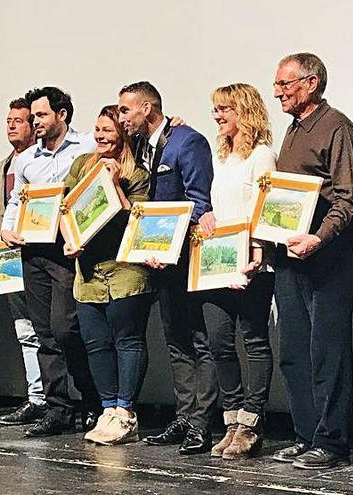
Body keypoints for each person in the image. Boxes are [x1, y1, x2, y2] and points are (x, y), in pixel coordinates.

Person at [268, 54, 353, 469]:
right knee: (293, 352)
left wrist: (318, 239)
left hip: (328, 256)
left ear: (311, 83)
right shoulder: (292, 130)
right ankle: (306, 435)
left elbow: (349, 197)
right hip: (290, 257)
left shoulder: (336, 126)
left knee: (328, 352)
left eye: (285, 84)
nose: (277, 92)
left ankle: (332, 441)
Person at [117, 81, 217, 455]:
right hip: (156, 259)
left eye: (126, 110)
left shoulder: (187, 141)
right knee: (175, 341)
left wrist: (165, 237)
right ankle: (185, 415)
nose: (121, 116)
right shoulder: (140, 146)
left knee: (196, 339)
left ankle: (202, 423)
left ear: (147, 108)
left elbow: (197, 201)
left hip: (185, 256)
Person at [0, 87, 101, 437]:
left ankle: (92, 401)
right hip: (33, 252)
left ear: (62, 115)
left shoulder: (88, 145)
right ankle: (58, 408)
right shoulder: (26, 159)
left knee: (67, 329)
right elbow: (16, 200)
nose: (35, 122)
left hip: (69, 252)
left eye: (41, 115)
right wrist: (8, 230)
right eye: (33, 117)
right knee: (44, 333)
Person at [61, 105, 152, 445]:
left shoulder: (137, 174)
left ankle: (126, 413)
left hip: (126, 272)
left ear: (123, 133)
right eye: (96, 129)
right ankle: (108, 408)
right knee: (96, 344)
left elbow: (137, 222)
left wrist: (113, 185)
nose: (99, 135)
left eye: (107, 130)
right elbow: (65, 208)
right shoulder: (82, 165)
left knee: (127, 342)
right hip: (88, 274)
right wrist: (69, 240)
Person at [197, 83, 276, 459]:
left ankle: (251, 422)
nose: (218, 115)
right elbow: (220, 206)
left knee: (254, 340)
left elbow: (266, 206)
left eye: (225, 108)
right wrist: (207, 217)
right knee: (218, 341)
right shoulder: (222, 157)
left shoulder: (262, 156)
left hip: (252, 261)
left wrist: (259, 249)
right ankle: (231, 421)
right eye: (215, 109)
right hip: (219, 261)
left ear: (245, 111)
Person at [0, 98, 47, 426]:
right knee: (24, 330)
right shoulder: (2, 165)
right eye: (8, 121)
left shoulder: (44, 161)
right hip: (9, 258)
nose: (11, 126)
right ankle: (37, 398)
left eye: (19, 120)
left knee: (53, 331)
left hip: (42, 257)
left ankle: (64, 399)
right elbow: (2, 215)